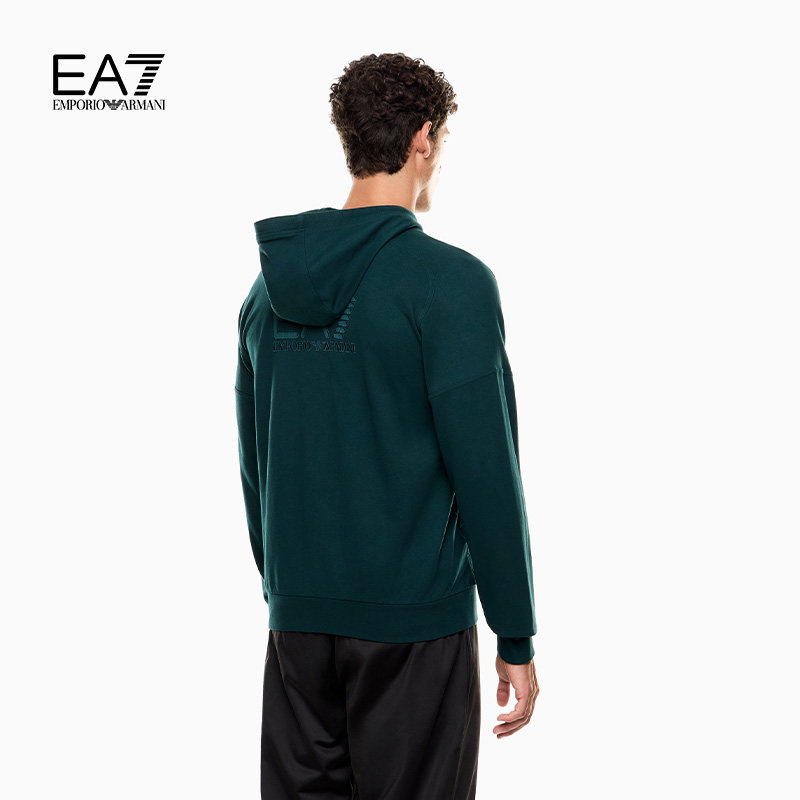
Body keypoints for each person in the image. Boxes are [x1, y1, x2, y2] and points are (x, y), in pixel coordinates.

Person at [235, 52, 539, 800]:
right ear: (423, 139)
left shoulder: (265, 295)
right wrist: (514, 632)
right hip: (414, 630)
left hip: (298, 627)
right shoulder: (451, 284)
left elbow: (255, 465)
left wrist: (289, 590)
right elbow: (487, 471)